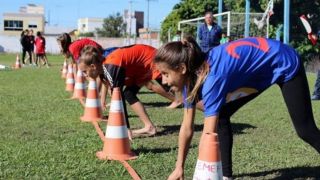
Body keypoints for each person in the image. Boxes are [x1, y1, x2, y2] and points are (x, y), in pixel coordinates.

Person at [154, 36, 320, 179]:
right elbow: (186, 127)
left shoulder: (212, 79)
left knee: (305, 130)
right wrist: (179, 167)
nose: (163, 81)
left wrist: (203, 175)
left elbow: (208, 135)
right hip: (260, 67)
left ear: (181, 69)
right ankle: (226, 175)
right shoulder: (190, 77)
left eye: (166, 74)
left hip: (283, 61)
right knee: (222, 114)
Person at [78, 44, 177, 136]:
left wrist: (126, 128)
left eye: (84, 71)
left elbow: (118, 99)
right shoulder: (103, 69)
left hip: (149, 57)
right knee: (129, 94)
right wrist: (103, 100)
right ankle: (149, 127)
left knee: (173, 87)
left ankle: (186, 99)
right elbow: (109, 88)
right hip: (139, 66)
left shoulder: (111, 67)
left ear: (93, 66)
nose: (85, 75)